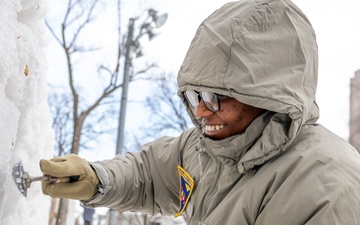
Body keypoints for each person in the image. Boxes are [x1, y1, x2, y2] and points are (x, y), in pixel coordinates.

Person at [40, 0, 360, 224]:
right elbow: (150, 175)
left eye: (214, 96)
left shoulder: (329, 189)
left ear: (269, 95)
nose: (202, 110)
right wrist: (97, 178)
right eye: (194, 95)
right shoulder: (206, 148)